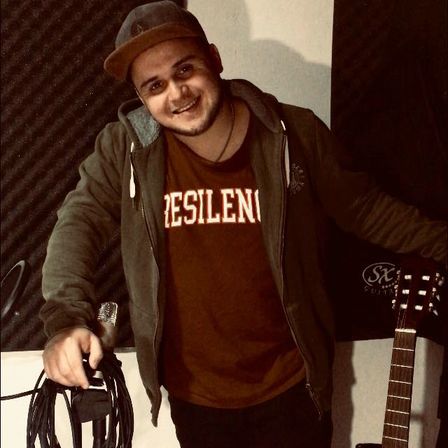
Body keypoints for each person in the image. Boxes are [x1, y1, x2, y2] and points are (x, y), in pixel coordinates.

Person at [39, 2, 447, 447]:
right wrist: (65, 320)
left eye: (185, 70)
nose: (176, 93)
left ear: (214, 59)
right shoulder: (125, 149)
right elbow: (79, 221)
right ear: (141, 97)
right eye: (155, 86)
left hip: (292, 388)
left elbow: (365, 208)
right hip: (196, 399)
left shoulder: (293, 133)